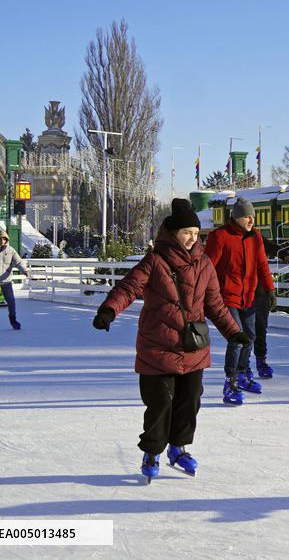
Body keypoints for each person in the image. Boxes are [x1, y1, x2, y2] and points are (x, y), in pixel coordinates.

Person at [90, 198, 249, 482]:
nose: (191, 238)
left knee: (190, 402)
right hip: (158, 345)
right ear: (172, 232)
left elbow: (214, 303)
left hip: (192, 347)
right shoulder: (155, 260)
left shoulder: (205, 263)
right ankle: (152, 452)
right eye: (186, 232)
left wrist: (232, 331)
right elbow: (129, 287)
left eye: (195, 233)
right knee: (160, 402)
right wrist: (108, 310)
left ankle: (179, 448)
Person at [204, 198, 277, 405]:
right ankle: (231, 381)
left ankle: (244, 373)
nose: (251, 220)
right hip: (226, 296)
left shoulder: (255, 237)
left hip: (249, 295)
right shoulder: (220, 236)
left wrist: (270, 290)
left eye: (253, 216)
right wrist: (204, 295)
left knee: (250, 335)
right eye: (247, 216)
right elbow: (207, 268)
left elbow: (262, 264)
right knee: (236, 337)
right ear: (236, 217)